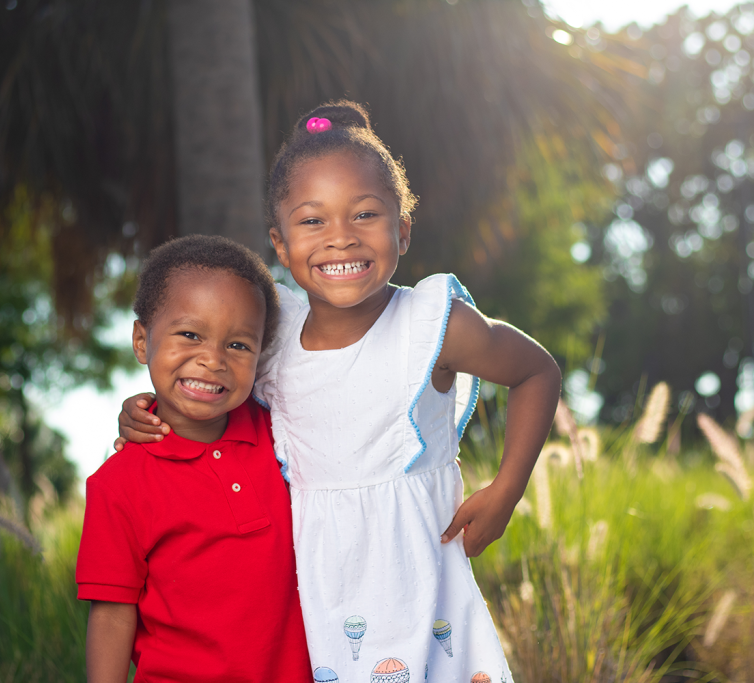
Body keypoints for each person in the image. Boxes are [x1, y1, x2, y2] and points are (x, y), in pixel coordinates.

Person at [116, 101, 562, 681]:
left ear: (403, 228)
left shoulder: (433, 326)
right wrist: (144, 412)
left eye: (365, 214)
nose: (341, 239)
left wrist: (507, 489)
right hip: (316, 602)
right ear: (280, 244)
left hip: (421, 593)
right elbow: (209, 391)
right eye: (312, 221)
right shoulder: (273, 337)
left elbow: (537, 372)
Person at [76, 234, 313, 683]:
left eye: (238, 345)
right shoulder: (118, 483)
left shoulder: (284, 434)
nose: (213, 359)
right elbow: (111, 613)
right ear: (142, 341)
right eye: (190, 335)